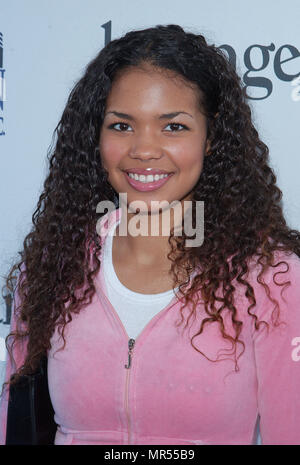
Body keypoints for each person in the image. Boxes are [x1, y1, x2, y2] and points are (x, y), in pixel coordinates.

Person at [1, 23, 300, 446]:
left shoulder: (272, 280)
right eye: (122, 126)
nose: (143, 149)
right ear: (96, 135)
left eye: (173, 127)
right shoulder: (54, 266)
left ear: (211, 137)